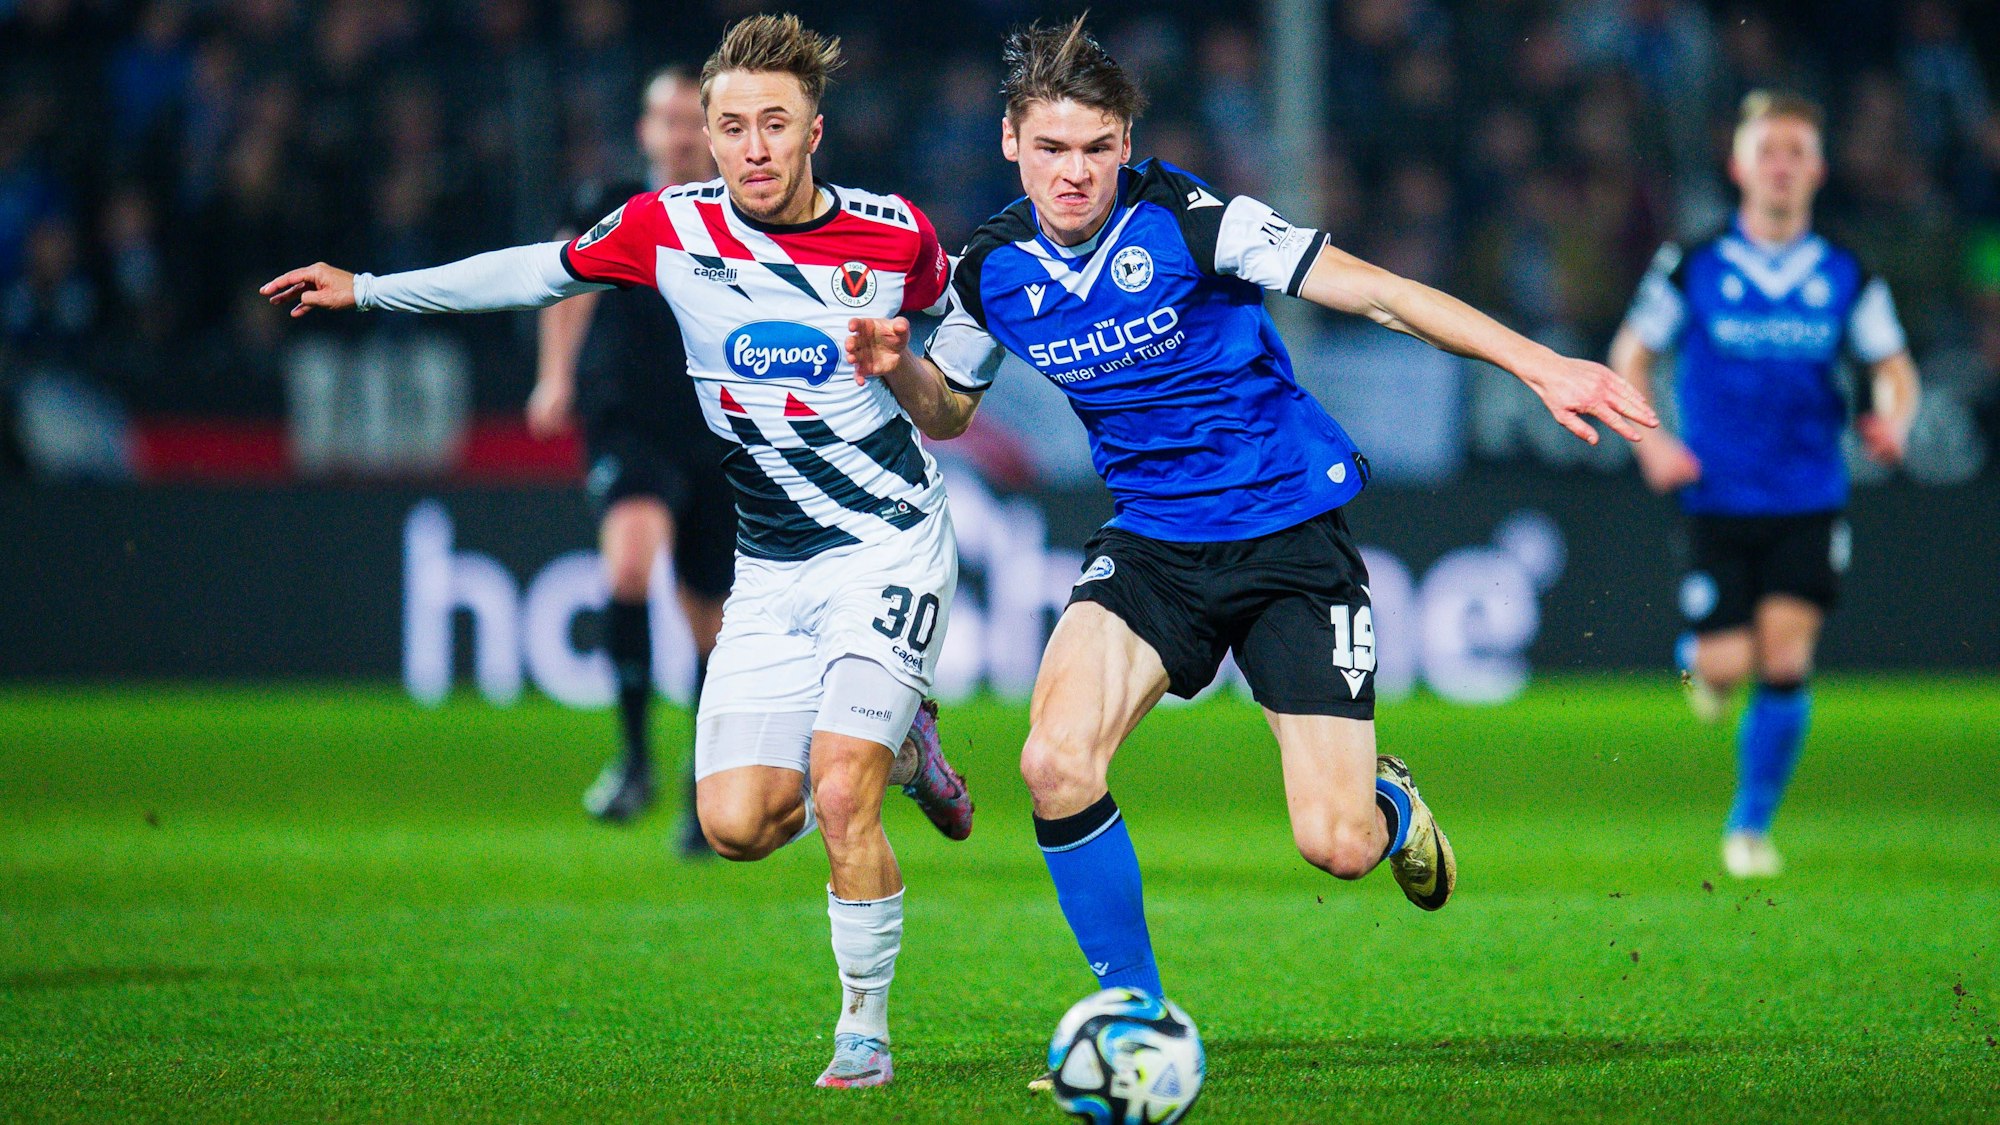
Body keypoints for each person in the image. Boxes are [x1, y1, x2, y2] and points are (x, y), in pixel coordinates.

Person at [845, 16, 1656, 1040]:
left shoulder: (1194, 222)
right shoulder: (987, 270)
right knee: (1053, 763)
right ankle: (1132, 1014)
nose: (1074, 174)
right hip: (1151, 544)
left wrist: (1539, 364)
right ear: (1011, 141)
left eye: (1098, 150)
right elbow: (950, 409)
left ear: (1125, 147)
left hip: (1286, 540)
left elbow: (1379, 295)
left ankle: (1387, 804)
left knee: (1337, 845)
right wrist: (896, 366)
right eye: (1050, 149)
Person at [262, 14, 975, 1089]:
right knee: (733, 825)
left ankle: (862, 1031)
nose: (751, 148)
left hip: (888, 544)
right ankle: (908, 746)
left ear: (814, 130)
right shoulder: (666, 227)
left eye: (772, 124)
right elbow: (536, 273)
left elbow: (965, 324)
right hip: (772, 566)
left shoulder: (889, 235)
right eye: (729, 126)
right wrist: (369, 288)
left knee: (838, 794)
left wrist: (923, 378)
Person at [1609, 91, 1919, 880]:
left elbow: (1894, 369)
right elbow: (1630, 354)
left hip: (1809, 496)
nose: (1781, 165)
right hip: (1716, 495)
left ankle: (1748, 826)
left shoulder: (1846, 271)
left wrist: (1893, 419)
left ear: (1817, 168)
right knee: (1720, 667)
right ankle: (1694, 661)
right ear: (1739, 165)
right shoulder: (1695, 264)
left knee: (1785, 657)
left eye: (1796, 152)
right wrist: (1652, 445)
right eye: (1767, 151)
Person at [530, 68, 734, 851]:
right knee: (628, 564)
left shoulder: (736, 217)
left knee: (710, 628)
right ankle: (635, 761)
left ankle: (697, 792)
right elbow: (562, 285)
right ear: (647, 130)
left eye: (693, 120)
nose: (679, 134)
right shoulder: (607, 204)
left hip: (714, 430)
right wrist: (554, 377)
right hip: (628, 420)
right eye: (666, 118)